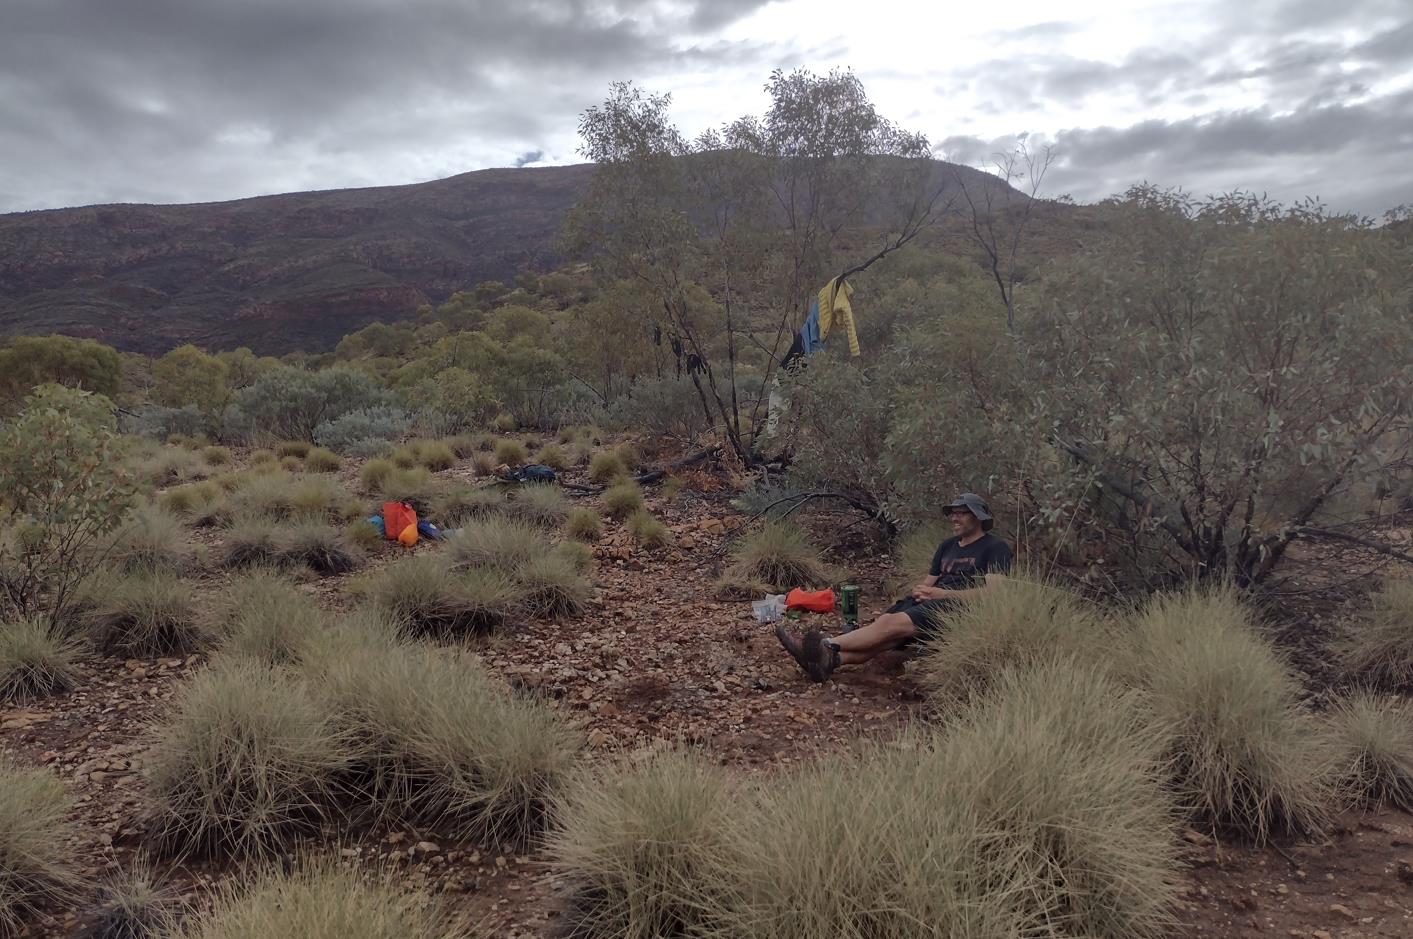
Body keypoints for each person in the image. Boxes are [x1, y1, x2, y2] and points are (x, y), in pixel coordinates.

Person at [775, 493, 1012, 682]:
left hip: (958, 608)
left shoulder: (995, 548)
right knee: (884, 634)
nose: (955, 518)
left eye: (963, 514)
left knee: (889, 625)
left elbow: (995, 594)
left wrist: (942, 594)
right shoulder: (947, 546)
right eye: (953, 513)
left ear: (978, 517)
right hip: (931, 601)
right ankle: (829, 662)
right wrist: (922, 591)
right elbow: (929, 582)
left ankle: (824, 645)